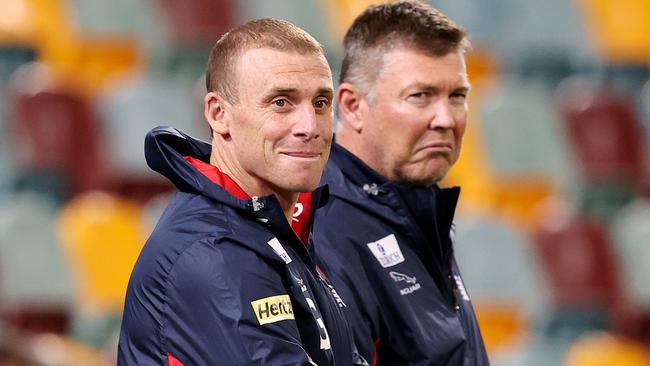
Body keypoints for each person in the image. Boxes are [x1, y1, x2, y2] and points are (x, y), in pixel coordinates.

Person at [118, 18, 366, 366]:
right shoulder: (215, 250)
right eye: (281, 102)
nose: (310, 126)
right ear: (219, 114)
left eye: (321, 103)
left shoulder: (275, 228)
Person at [312, 1, 489, 365]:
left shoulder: (415, 208)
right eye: (420, 96)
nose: (445, 119)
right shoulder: (322, 228)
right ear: (353, 106)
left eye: (457, 96)